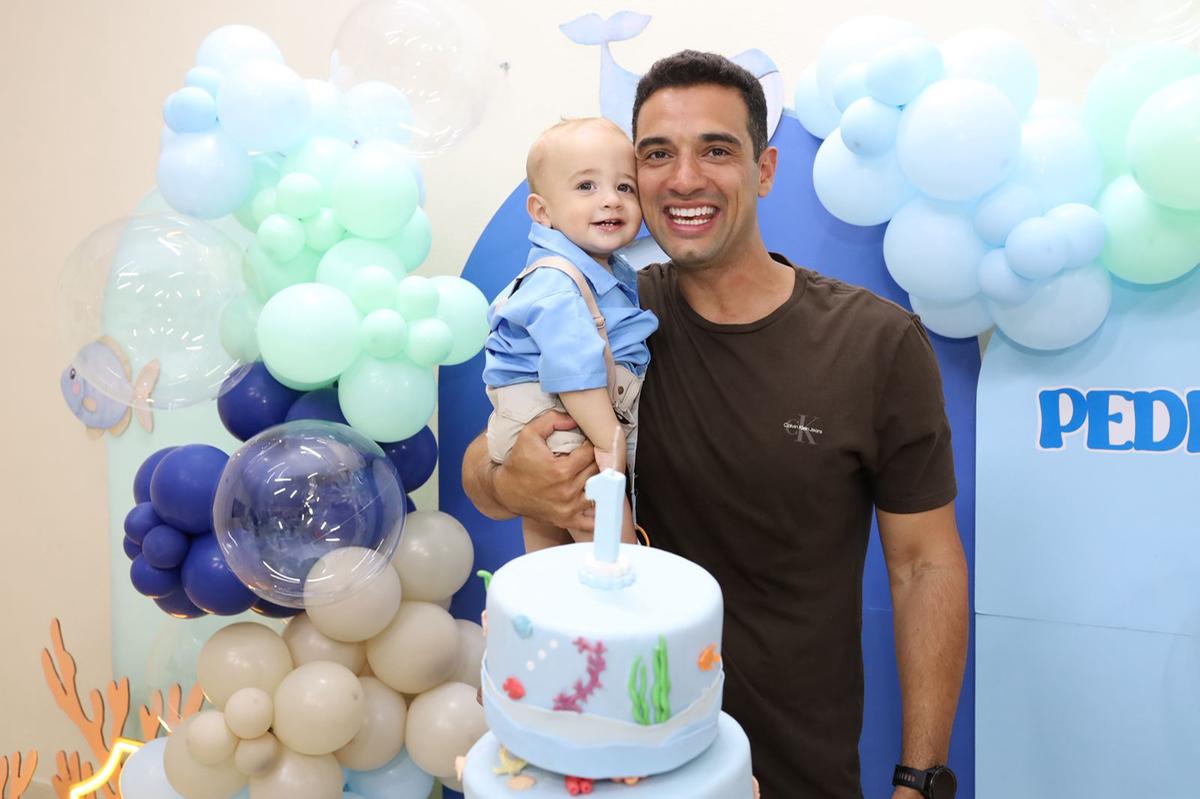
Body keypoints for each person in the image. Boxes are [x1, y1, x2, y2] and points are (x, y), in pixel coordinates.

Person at [463, 51, 969, 799]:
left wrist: (920, 778)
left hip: (796, 769)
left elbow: (925, 565)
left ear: (764, 171)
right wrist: (515, 482)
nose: (684, 178)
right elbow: (487, 465)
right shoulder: (604, 320)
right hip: (612, 770)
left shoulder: (874, 342)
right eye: (656, 155)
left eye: (716, 150)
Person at [482, 117, 659, 552]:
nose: (610, 200)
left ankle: (543, 593)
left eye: (625, 187)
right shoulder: (559, 282)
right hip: (564, 421)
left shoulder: (607, 272)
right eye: (586, 186)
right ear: (543, 212)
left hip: (554, 419)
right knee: (611, 541)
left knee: (547, 551)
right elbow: (575, 373)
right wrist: (610, 442)